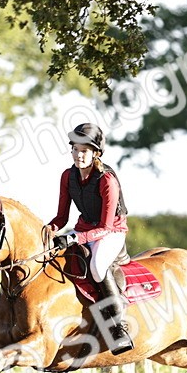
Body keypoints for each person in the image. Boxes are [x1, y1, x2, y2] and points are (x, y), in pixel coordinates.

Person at [47, 123, 134, 354]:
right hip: (84, 228)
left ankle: (119, 328)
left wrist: (75, 238)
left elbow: (105, 227)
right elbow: (61, 217)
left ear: (96, 153)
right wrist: (47, 230)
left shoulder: (107, 180)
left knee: (96, 266)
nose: (78, 155)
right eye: (75, 149)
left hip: (112, 231)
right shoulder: (68, 176)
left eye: (84, 150)